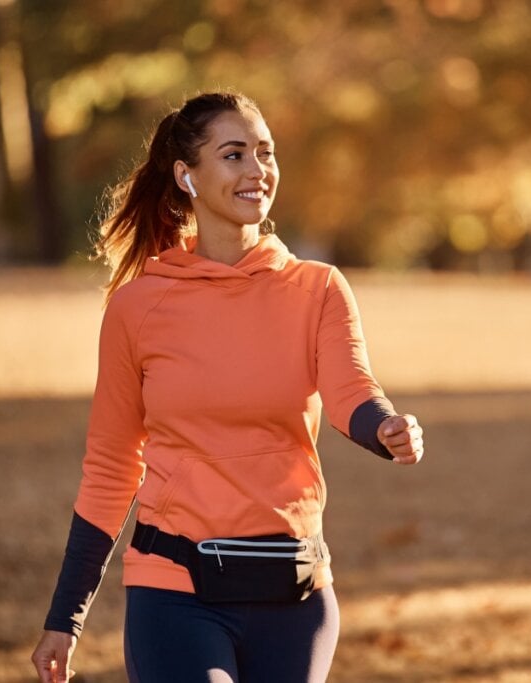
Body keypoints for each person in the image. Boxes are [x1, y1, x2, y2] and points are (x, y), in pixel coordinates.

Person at [30, 92, 424, 683]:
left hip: (294, 593)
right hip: (176, 591)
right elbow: (113, 466)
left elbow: (350, 389)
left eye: (265, 153)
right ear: (185, 176)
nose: (257, 170)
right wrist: (67, 615)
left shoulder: (317, 288)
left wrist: (384, 426)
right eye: (234, 154)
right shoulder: (139, 306)